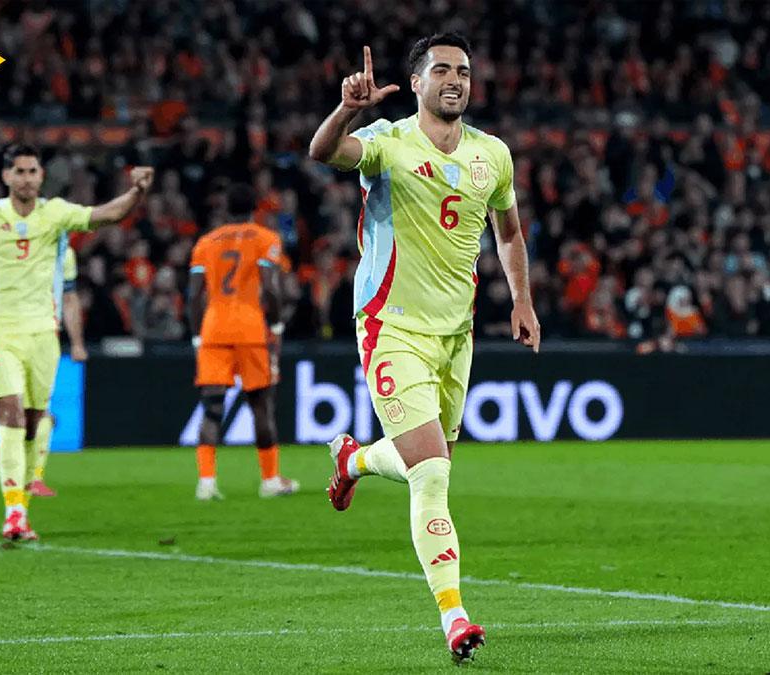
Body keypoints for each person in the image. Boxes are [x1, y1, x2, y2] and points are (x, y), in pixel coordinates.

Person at [308, 35, 540, 662]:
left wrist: (522, 300)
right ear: (416, 82)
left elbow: (509, 233)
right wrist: (347, 110)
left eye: (463, 70)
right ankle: (455, 617)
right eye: (441, 70)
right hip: (391, 326)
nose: (454, 79)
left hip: (456, 335)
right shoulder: (388, 141)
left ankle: (354, 461)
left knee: (426, 463)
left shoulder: (493, 154)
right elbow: (323, 151)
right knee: (432, 474)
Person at [0, 144, 153, 541]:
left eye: (32, 171)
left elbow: (109, 214)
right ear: (6, 176)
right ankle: (13, 515)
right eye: (19, 171)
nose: (26, 178)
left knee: (34, 421)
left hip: (43, 333)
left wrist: (138, 191)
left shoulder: (56, 213)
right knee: (10, 413)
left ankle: (17, 506)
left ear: (42, 176)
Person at [187, 183, 298, 501]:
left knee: (212, 408)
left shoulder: (206, 242)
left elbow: (193, 295)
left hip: (214, 329)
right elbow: (271, 288)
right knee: (261, 407)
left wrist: (197, 335)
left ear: (226, 208)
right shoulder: (266, 239)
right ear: (255, 208)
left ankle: (206, 483)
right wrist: (275, 324)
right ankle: (270, 480)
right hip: (250, 330)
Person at [0, 245, 87, 498]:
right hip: (4, 335)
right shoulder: (7, 242)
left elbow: (69, 297)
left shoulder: (63, 252)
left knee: (39, 411)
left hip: (42, 336)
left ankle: (34, 478)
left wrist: (77, 343)